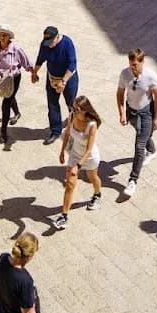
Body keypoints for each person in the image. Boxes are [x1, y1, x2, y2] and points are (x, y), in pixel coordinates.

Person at [116, 48, 157, 198]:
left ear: (142, 62)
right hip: (132, 112)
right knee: (143, 134)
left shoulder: (151, 76)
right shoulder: (125, 74)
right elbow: (120, 93)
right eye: (130, 64)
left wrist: (156, 118)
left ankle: (132, 181)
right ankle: (153, 151)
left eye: (135, 65)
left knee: (139, 145)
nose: (132, 67)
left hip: (146, 112)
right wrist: (122, 113)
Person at [52, 95, 103, 229]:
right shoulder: (72, 117)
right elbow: (68, 133)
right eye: (73, 108)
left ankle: (97, 194)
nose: (73, 111)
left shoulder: (92, 125)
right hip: (75, 154)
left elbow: (89, 149)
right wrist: (62, 151)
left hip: (89, 157)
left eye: (76, 109)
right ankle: (64, 216)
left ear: (85, 110)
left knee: (93, 177)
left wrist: (78, 167)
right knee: (70, 185)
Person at [31, 26, 79, 145]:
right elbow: (40, 58)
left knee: (71, 104)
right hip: (52, 77)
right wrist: (34, 72)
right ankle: (55, 131)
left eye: (51, 42)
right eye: (46, 42)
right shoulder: (45, 44)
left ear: (57, 37)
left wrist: (63, 81)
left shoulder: (67, 43)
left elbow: (72, 64)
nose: (49, 45)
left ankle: (77, 127)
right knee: (52, 104)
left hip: (68, 79)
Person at [0, 25, 33, 144]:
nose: (2, 37)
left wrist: (33, 73)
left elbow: (26, 63)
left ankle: (3, 132)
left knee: (6, 101)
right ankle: (17, 113)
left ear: (9, 37)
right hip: (0, 80)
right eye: (1, 34)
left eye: (5, 35)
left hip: (14, 78)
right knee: (9, 96)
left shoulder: (16, 49)